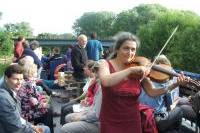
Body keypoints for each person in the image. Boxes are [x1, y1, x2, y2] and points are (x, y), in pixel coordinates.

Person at [98, 32, 188, 133]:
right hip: (111, 120)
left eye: (133, 49)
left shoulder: (137, 70)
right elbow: (106, 81)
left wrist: (174, 85)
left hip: (133, 120)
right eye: (126, 48)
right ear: (117, 49)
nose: (130, 52)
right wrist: (130, 70)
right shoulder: (105, 64)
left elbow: (152, 92)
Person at [0, 64, 50, 133]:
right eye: (15, 79)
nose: (19, 82)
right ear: (6, 78)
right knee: (46, 129)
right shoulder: (4, 99)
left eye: (21, 79)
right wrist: (32, 130)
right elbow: (15, 128)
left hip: (21, 122)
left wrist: (32, 126)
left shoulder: (11, 90)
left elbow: (18, 118)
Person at [139, 54, 183, 133]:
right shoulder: (166, 85)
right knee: (179, 110)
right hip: (155, 119)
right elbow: (169, 108)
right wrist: (176, 102)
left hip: (141, 115)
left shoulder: (143, 79)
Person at [61, 61, 101, 133]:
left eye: (85, 67)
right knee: (65, 110)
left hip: (98, 121)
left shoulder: (100, 86)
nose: (84, 69)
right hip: (89, 108)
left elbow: (95, 114)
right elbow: (89, 97)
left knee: (67, 111)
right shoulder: (93, 81)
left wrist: (81, 117)